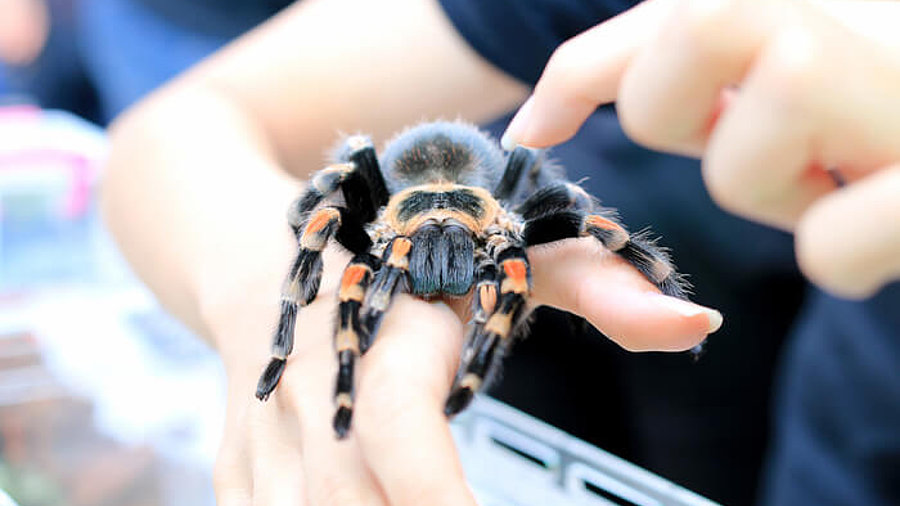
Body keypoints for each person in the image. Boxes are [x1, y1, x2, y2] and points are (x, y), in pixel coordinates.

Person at [100, 0, 899, 505]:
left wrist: (627, 266)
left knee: (562, 225)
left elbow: (572, 217)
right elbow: (172, 132)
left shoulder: (510, 213)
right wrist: (274, 322)